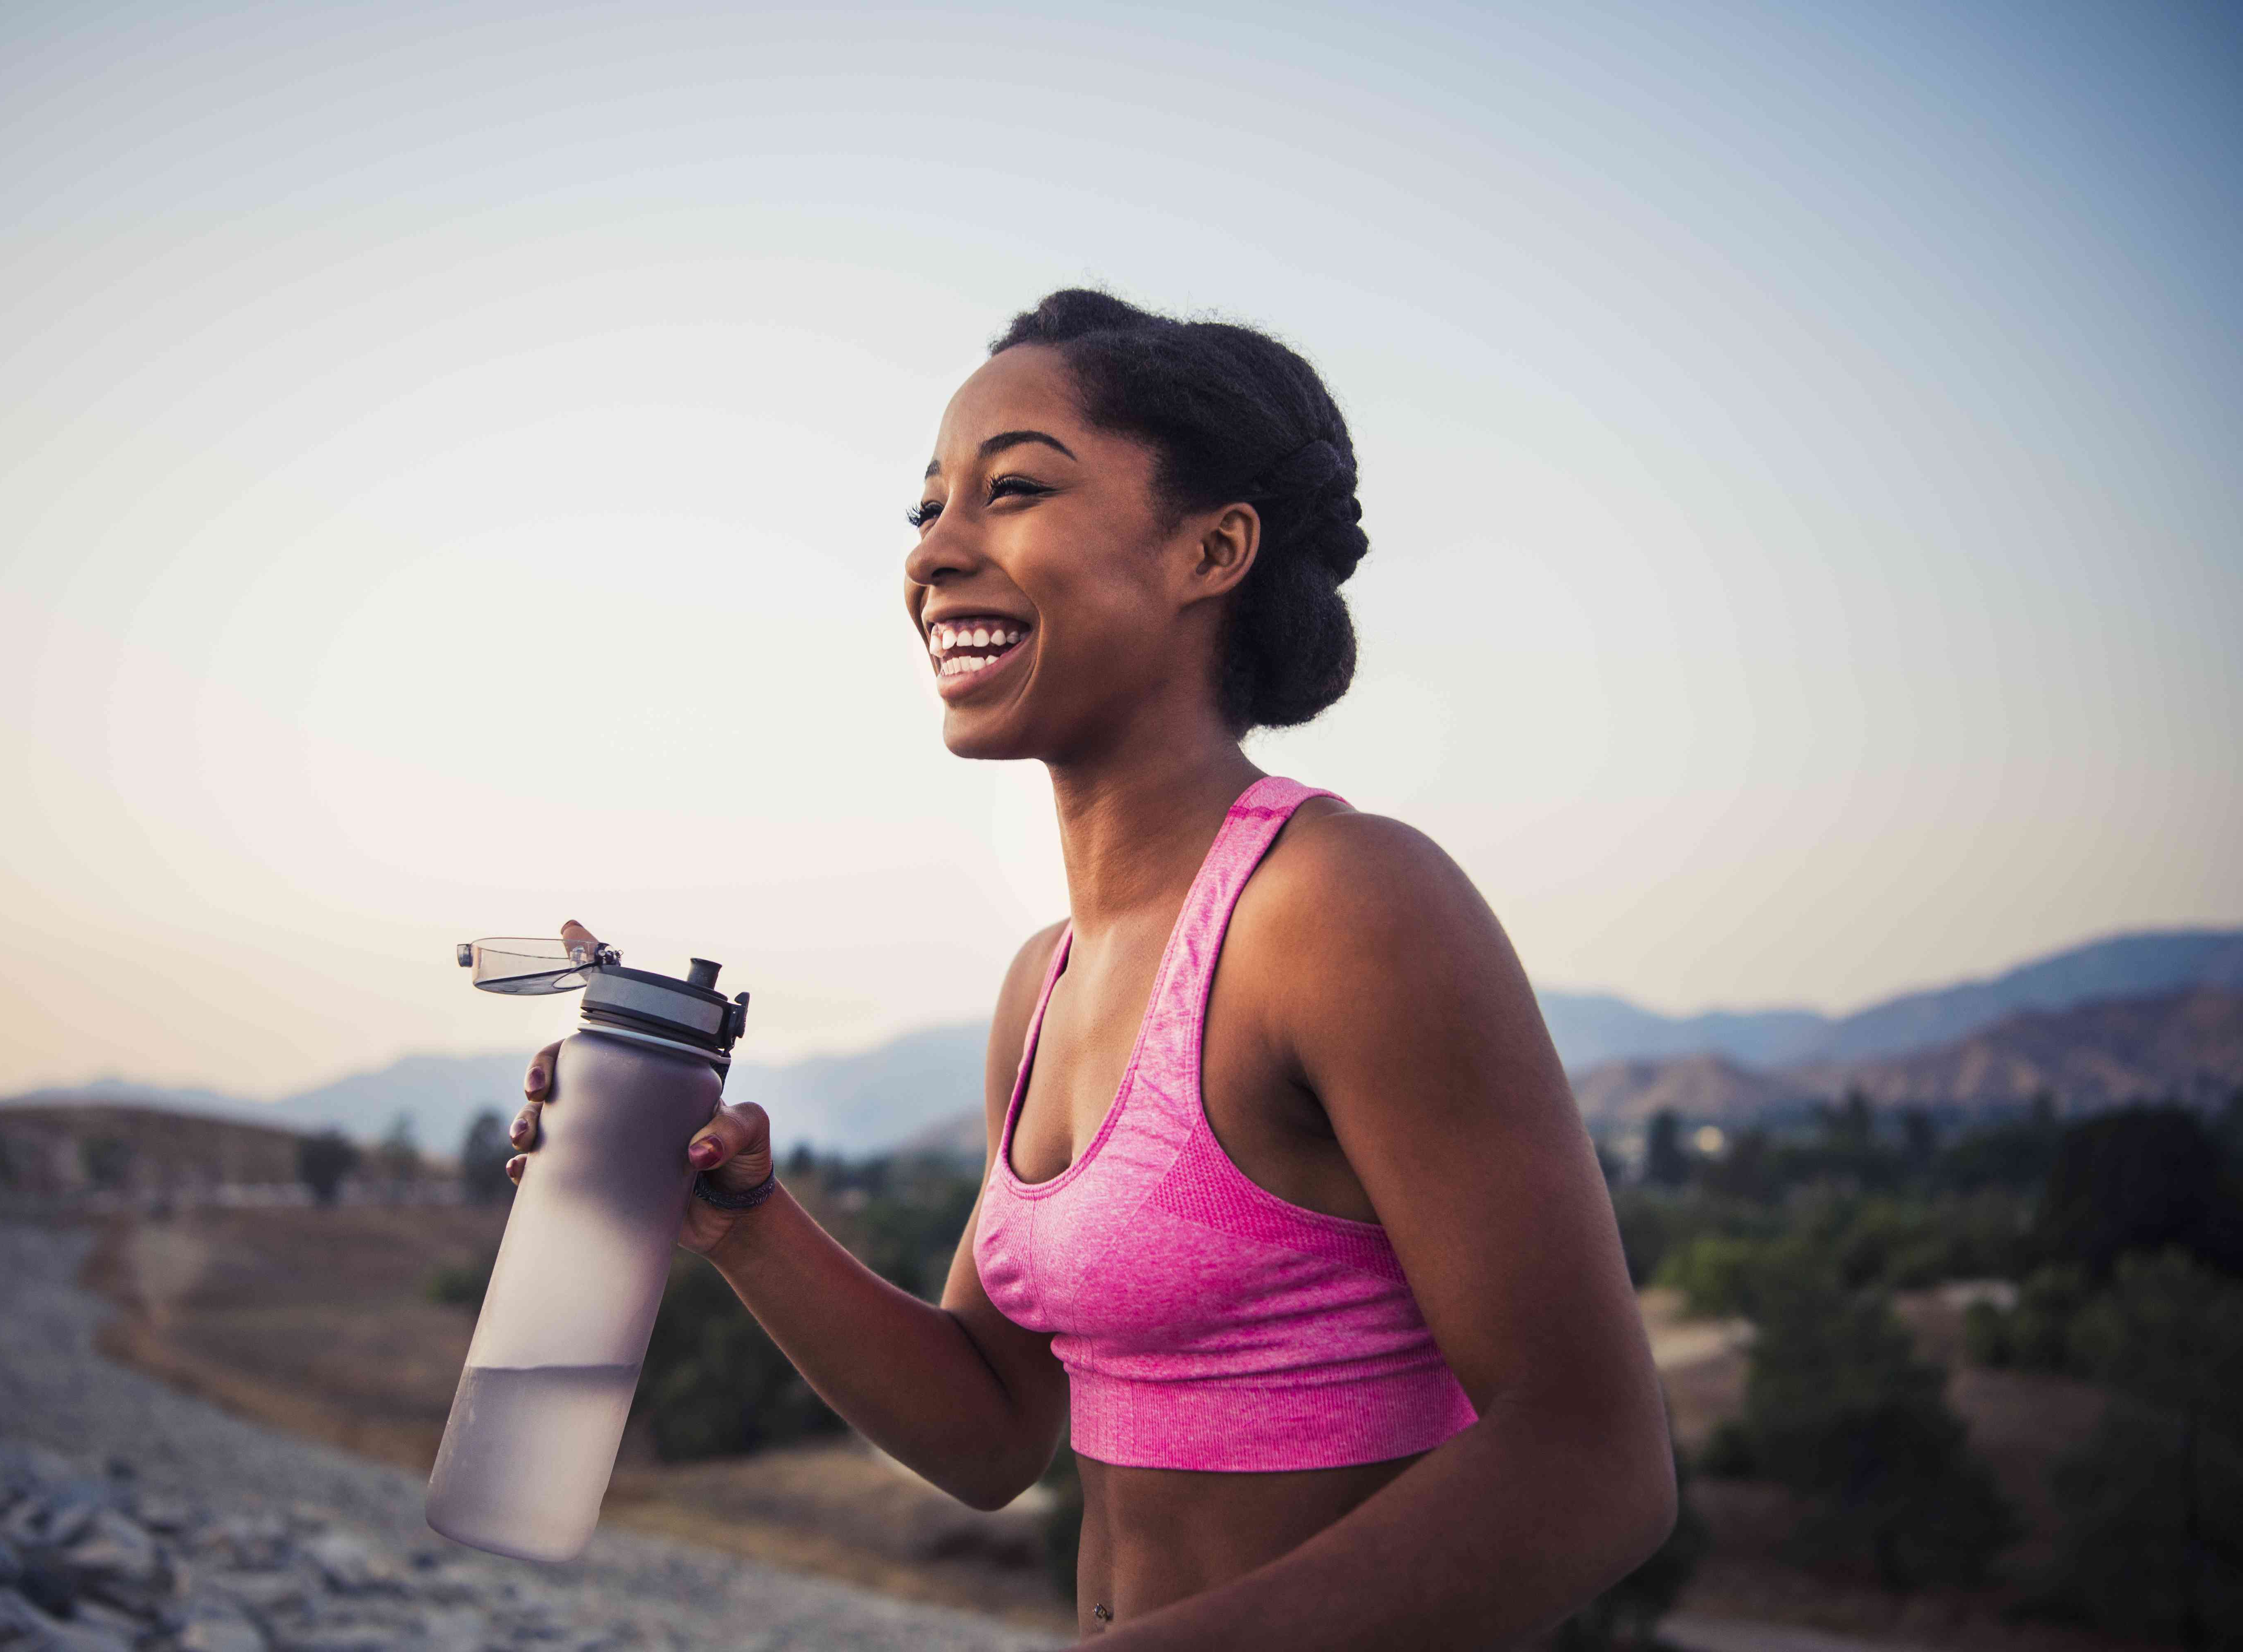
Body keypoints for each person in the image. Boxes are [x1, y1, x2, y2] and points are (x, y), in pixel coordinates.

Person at [508, 289, 1674, 1646]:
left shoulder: (1343, 907)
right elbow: (993, 1431)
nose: (935, 553)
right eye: (925, 509)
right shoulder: (1043, 985)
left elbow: (1595, 1465)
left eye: (1009, 491)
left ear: (1212, 550)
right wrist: (740, 1223)